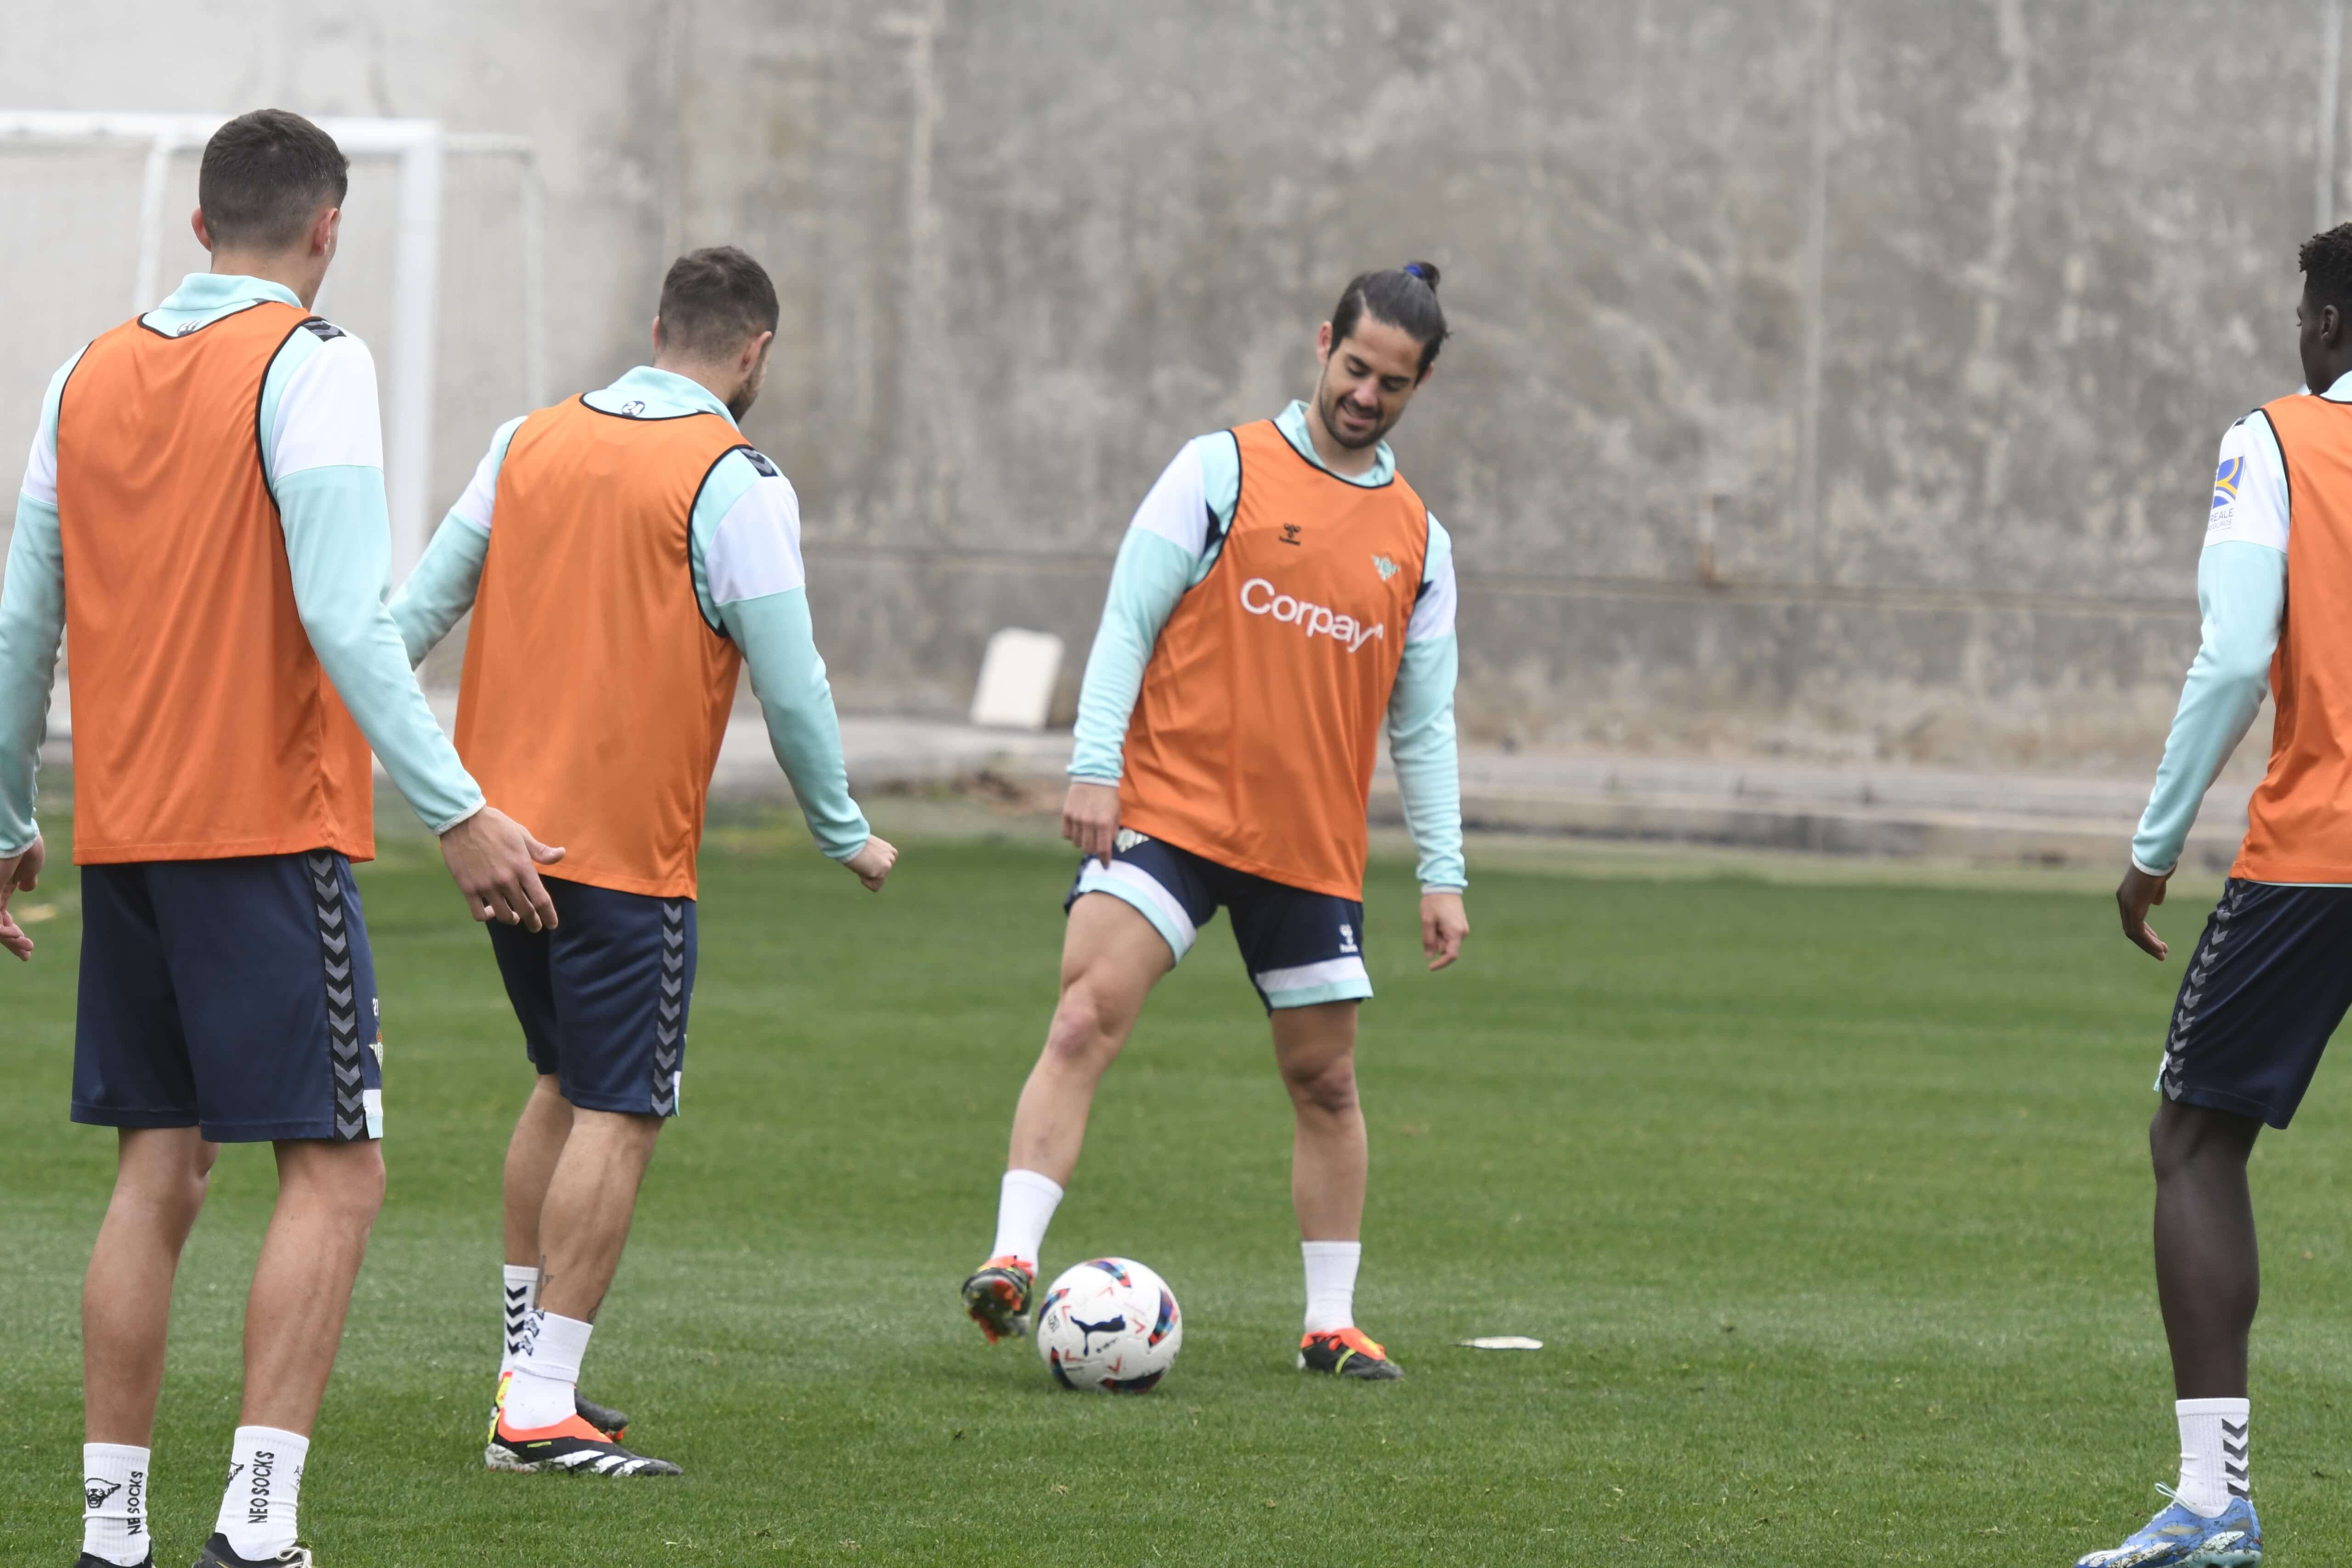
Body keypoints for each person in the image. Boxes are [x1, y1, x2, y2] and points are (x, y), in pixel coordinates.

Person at [0, 110, 563, 1568]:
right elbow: (344, 611)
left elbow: (20, 627)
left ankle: (110, 1534)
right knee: (338, 1172)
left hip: (125, 840)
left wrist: (7, 816)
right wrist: (455, 804)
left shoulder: (82, 371)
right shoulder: (317, 362)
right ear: (327, 229)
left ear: (197, 228)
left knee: (158, 1170)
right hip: (262, 835)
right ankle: (258, 1530)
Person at [389, 244, 896, 1477]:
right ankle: (538, 1405)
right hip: (624, 859)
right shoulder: (733, 477)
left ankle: (524, 1371)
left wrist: (409, 769)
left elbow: (412, 615)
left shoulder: (529, 438)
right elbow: (794, 674)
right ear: (755, 351)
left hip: (503, 847)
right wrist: (845, 829)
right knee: (620, 1111)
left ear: (655, 323)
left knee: (560, 1083)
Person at [958, 263, 1467, 1380]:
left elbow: (1421, 729)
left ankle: (1328, 1325)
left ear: (1417, 387)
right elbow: (1127, 621)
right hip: (1172, 813)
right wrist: (1095, 767)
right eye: (1353, 368)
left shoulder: (1419, 544)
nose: (1366, 397)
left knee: (1325, 1082)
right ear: (1321, 342)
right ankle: (1009, 1261)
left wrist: (1444, 872)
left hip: (1308, 851)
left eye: (1393, 383)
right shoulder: (1219, 470)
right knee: (1085, 1017)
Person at [2084, 227, 2352, 1568]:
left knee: (2196, 1144)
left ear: (2325, 321)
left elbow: (2239, 649)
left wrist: (2153, 843)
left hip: (2323, 851)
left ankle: (2212, 1504)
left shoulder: (2279, 438)